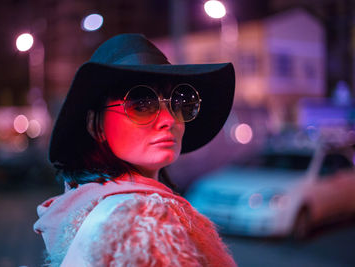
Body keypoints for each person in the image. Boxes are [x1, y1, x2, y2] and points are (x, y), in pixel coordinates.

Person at [34, 33, 236, 267]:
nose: (169, 119)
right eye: (141, 104)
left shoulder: (89, 207)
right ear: (95, 125)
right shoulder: (142, 222)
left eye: (179, 102)